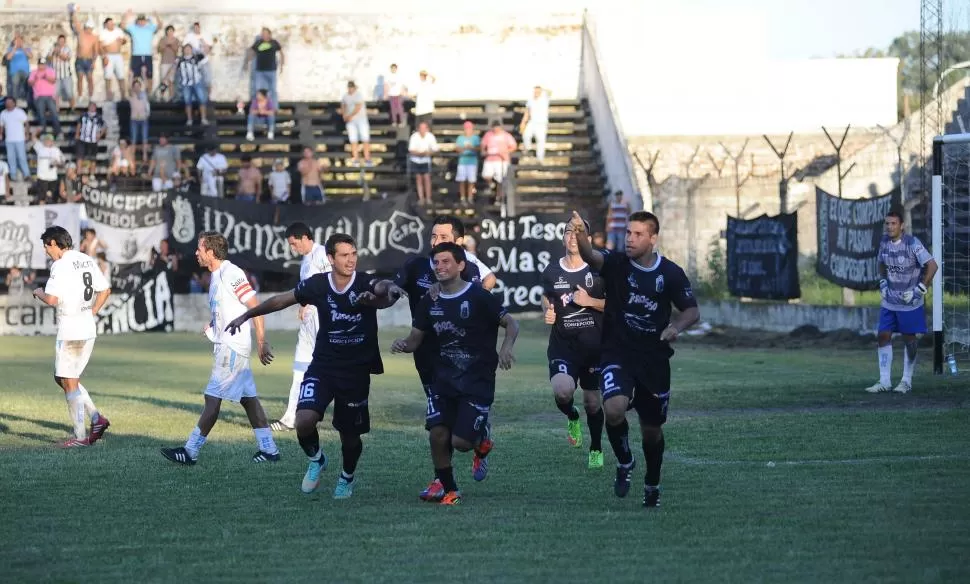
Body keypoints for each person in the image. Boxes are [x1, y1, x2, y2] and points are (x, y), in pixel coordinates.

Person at [225, 234, 396, 499]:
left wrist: (389, 290)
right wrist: (247, 314)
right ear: (330, 259)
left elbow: (383, 290)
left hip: (356, 370)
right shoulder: (318, 285)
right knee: (303, 421)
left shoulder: (363, 282)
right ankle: (317, 460)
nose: (351, 259)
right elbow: (283, 299)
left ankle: (346, 478)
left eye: (353, 253)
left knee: (349, 436)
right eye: (344, 255)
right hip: (324, 365)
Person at [571, 209, 700, 508]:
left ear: (653, 238)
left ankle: (652, 483)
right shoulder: (617, 264)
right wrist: (580, 235)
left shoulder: (670, 273)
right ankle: (625, 461)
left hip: (653, 360)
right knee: (614, 408)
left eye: (638, 234)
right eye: (628, 233)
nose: (630, 239)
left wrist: (675, 327)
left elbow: (692, 311)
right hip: (618, 352)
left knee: (652, 430)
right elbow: (592, 256)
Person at [391, 242, 519, 505]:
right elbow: (415, 339)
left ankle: (481, 439)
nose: (440, 266)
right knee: (437, 433)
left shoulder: (478, 296)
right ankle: (451, 489)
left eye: (446, 261)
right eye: (436, 262)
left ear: (461, 265)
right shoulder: (430, 300)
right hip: (443, 378)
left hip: (477, 380)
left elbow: (511, 322)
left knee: (460, 442)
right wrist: (403, 344)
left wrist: (506, 348)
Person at [160, 231, 279, 465]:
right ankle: (269, 449)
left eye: (200, 248)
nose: (196, 252)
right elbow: (231, 310)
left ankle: (190, 451)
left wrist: (262, 341)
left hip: (232, 348)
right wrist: (214, 325)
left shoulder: (230, 273)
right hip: (228, 345)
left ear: (211, 252)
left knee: (212, 398)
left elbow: (255, 306)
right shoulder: (216, 275)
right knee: (249, 399)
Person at [30, 226, 112, 448]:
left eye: (47, 246)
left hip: (71, 329)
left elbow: (52, 300)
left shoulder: (60, 265)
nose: (47, 251)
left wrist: (38, 292)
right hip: (87, 326)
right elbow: (105, 290)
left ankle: (79, 437)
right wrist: (92, 311)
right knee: (63, 378)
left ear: (55, 244)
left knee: (69, 381)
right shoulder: (85, 259)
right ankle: (97, 419)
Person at [541, 219, 607, 468]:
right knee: (562, 391)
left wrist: (590, 301)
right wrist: (547, 309)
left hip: (593, 349)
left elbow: (616, 306)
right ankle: (571, 415)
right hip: (563, 347)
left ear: (587, 241)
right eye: (568, 231)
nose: (572, 236)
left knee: (592, 403)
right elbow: (546, 297)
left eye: (578, 232)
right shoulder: (551, 271)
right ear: (563, 238)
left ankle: (596, 448)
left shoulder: (599, 270)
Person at [266, 223, 333, 432]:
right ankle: (289, 418)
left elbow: (332, 283)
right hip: (307, 324)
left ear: (305, 237)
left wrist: (313, 304)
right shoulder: (305, 262)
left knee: (333, 366)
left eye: (294, 244)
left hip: (323, 320)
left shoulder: (323, 253)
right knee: (299, 369)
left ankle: (346, 414)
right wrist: (304, 304)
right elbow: (307, 290)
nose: (294, 249)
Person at [865, 209, 939, 394]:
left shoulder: (912, 243)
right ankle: (884, 381)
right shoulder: (883, 242)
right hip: (889, 300)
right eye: (887, 223)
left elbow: (932, 265)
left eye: (893, 223)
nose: (890, 227)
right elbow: (881, 262)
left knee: (909, 339)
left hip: (909, 302)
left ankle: (906, 381)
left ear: (902, 225)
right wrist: (883, 281)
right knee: (883, 335)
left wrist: (920, 289)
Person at [122, 10, 162, 94]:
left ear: (145, 21)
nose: (141, 22)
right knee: (134, 77)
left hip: (148, 55)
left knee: (149, 76)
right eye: (140, 20)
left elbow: (160, 26)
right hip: (136, 55)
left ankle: (148, 96)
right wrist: (126, 15)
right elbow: (122, 26)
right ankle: (134, 96)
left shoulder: (150, 28)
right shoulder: (133, 28)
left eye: (143, 20)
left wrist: (156, 16)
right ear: (137, 21)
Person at [480, 122, 517, 204]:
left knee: (500, 180)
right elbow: (483, 144)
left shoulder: (506, 135)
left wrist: (505, 152)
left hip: (501, 160)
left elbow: (513, 146)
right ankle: (491, 185)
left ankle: (498, 198)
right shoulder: (488, 135)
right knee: (486, 175)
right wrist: (483, 151)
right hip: (490, 158)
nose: (496, 130)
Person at [245, 28, 283, 104]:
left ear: (269, 34)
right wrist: (246, 62)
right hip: (260, 71)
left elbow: (281, 53)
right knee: (258, 90)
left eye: (265, 33)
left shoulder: (274, 42)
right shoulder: (258, 43)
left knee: (273, 90)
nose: (263, 35)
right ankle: (258, 108)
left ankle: (273, 108)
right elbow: (251, 52)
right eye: (262, 34)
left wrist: (282, 65)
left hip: (271, 70)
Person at [69, 10, 98, 105]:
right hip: (80, 59)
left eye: (91, 28)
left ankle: (91, 96)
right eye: (88, 28)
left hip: (89, 60)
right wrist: (73, 13)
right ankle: (80, 95)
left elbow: (96, 50)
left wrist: (94, 61)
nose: (89, 30)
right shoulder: (81, 34)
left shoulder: (94, 37)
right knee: (80, 78)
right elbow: (76, 24)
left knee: (90, 78)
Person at [176, 43, 209, 126]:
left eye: (189, 49)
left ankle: (203, 119)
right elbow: (174, 69)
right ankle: (189, 119)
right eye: (185, 49)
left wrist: (201, 50)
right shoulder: (179, 60)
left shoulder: (197, 58)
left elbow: (206, 59)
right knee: (187, 102)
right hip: (185, 84)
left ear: (191, 50)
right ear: (183, 50)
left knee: (202, 100)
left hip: (197, 82)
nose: (187, 50)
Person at [341, 81, 371, 167]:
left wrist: (350, 115)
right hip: (351, 121)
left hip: (360, 120)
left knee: (365, 139)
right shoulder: (345, 96)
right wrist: (344, 115)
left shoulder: (358, 95)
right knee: (353, 140)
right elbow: (343, 106)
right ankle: (356, 159)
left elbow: (358, 106)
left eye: (352, 87)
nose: (350, 89)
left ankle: (367, 158)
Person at [0, 96, 30, 182]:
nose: (8, 104)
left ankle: (26, 174)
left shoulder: (20, 112)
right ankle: (13, 175)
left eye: (10, 102)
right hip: (9, 140)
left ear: (14, 103)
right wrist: (1, 134)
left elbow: (26, 123)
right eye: (7, 103)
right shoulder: (3, 114)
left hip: (19, 139)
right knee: (11, 158)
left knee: (21, 157)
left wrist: (27, 134)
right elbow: (1, 126)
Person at [98, 17, 128, 101]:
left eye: (112, 23)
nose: (111, 25)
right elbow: (100, 47)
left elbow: (124, 41)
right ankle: (109, 97)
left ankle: (123, 96)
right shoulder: (103, 33)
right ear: (106, 24)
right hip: (108, 56)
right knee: (108, 77)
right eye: (109, 23)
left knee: (121, 76)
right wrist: (104, 57)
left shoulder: (118, 31)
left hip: (118, 55)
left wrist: (122, 40)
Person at [519, 85, 551, 163]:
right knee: (526, 135)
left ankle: (540, 158)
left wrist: (542, 89)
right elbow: (527, 112)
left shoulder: (544, 98)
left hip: (542, 123)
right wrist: (523, 122)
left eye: (538, 91)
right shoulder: (530, 100)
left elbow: (550, 92)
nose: (536, 92)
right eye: (535, 91)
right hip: (532, 121)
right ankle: (528, 148)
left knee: (540, 140)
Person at [408, 121, 437, 206]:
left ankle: (428, 198)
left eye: (424, 128)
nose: (423, 130)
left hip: (426, 161)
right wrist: (421, 153)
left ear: (427, 129)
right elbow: (411, 150)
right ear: (418, 129)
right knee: (419, 179)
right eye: (421, 128)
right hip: (416, 160)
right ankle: (421, 198)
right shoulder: (414, 137)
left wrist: (428, 153)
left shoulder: (430, 136)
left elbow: (435, 149)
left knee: (427, 179)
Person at [75, 101, 106, 176]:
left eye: (93, 106)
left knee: (93, 159)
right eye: (90, 106)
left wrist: (100, 135)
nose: (92, 108)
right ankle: (79, 174)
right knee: (80, 157)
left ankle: (92, 175)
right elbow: (79, 124)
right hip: (82, 139)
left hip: (93, 141)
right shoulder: (83, 115)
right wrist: (77, 133)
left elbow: (104, 127)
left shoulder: (98, 117)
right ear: (88, 107)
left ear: (95, 107)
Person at [455, 121, 481, 207]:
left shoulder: (475, 138)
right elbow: (457, 149)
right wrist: (464, 148)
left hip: (472, 162)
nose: (468, 130)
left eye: (469, 129)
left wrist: (471, 147)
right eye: (466, 129)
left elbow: (478, 148)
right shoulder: (460, 138)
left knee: (471, 181)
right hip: (462, 162)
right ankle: (462, 198)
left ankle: (470, 197)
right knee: (462, 180)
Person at [47, 34, 75, 109]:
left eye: (62, 41)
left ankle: (72, 108)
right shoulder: (52, 48)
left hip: (66, 75)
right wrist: (53, 52)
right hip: (56, 76)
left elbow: (66, 58)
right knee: (55, 94)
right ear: (58, 41)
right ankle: (57, 108)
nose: (61, 42)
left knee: (69, 93)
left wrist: (58, 53)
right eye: (60, 41)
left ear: (65, 41)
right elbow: (48, 58)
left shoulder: (68, 49)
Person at [157, 25, 181, 101]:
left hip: (173, 63)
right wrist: (165, 46)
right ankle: (162, 96)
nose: (170, 32)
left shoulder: (176, 40)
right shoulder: (162, 39)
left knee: (171, 80)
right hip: (164, 62)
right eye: (168, 30)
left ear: (173, 32)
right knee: (163, 80)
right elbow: (160, 50)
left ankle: (171, 97)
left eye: (171, 31)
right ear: (166, 31)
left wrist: (171, 46)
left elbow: (176, 50)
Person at [129, 79, 150, 161]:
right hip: (134, 120)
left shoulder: (144, 95)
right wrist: (130, 77)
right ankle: (133, 156)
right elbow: (129, 88)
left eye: (138, 86)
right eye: (135, 86)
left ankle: (144, 155)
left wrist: (144, 76)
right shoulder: (131, 95)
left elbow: (147, 87)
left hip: (143, 119)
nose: (137, 88)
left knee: (145, 138)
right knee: (133, 139)